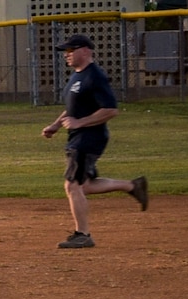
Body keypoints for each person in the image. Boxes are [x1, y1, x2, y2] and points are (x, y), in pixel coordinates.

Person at [40, 33, 148, 249]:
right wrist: (56, 125)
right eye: (66, 51)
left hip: (88, 138)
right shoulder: (77, 76)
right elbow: (73, 108)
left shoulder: (95, 76)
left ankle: (83, 234)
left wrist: (80, 123)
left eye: (71, 50)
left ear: (86, 51)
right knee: (84, 185)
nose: (67, 55)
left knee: (72, 185)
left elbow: (110, 109)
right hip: (79, 136)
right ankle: (132, 185)